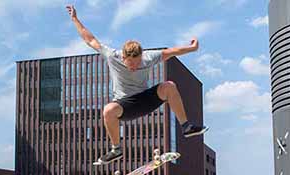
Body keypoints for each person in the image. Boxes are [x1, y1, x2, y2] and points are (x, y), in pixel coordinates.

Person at [66, 5, 209, 165]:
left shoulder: (148, 57)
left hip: (145, 100)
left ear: (142, 56)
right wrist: (75, 19)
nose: (134, 67)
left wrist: (192, 48)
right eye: (130, 64)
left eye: (137, 63)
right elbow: (90, 40)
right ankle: (116, 149)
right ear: (123, 57)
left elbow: (172, 51)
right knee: (108, 110)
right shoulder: (112, 56)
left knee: (169, 86)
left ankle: (186, 126)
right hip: (125, 105)